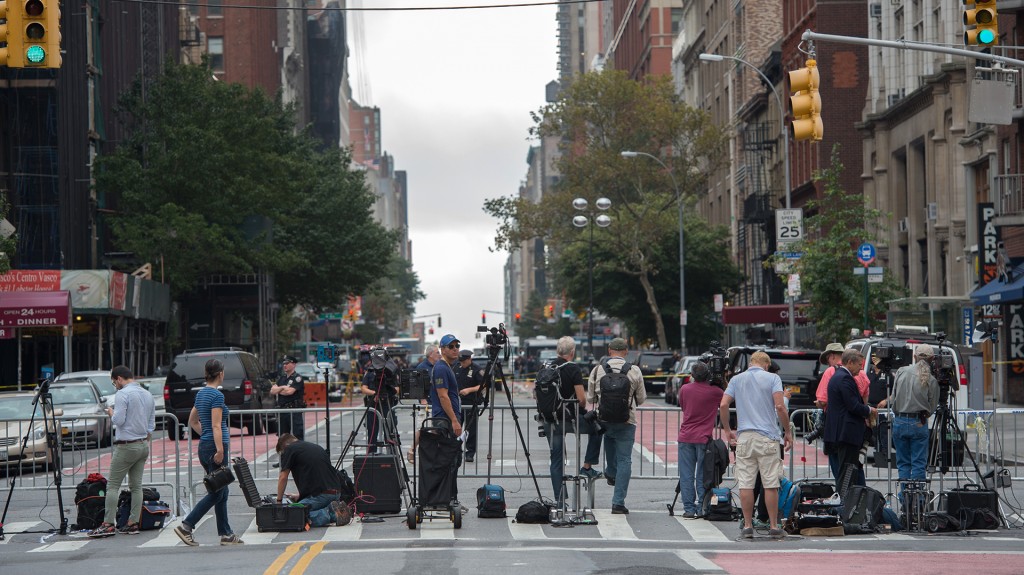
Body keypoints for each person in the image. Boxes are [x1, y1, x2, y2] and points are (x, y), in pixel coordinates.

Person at [718, 351, 792, 540]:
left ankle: (748, 526)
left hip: (744, 437)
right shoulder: (773, 378)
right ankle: (774, 526)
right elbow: (780, 406)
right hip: (767, 437)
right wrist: (788, 431)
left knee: (746, 483)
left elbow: (724, 405)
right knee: (770, 484)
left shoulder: (736, 379)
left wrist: (727, 430)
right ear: (766, 365)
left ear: (751, 363)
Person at [175, 359, 244, 546]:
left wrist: (205, 436)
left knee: (222, 490)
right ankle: (187, 526)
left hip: (204, 446)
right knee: (216, 492)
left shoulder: (201, 393)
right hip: (215, 447)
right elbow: (215, 425)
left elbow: (192, 421)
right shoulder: (217, 396)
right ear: (221, 373)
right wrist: (220, 448)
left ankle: (226, 534)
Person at [88, 366, 156, 537]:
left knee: (112, 486)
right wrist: (143, 440)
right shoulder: (147, 394)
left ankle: (108, 523)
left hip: (126, 445)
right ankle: (133, 523)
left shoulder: (123, 394)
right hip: (142, 445)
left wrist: (111, 412)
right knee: (136, 486)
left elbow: (119, 420)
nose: (115, 386)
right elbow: (151, 424)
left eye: (114, 383)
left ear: (119, 379)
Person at [587, 337, 645, 515]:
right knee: (625, 460)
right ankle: (618, 503)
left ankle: (611, 473)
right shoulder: (634, 370)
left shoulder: (598, 370)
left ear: (609, 350)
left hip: (604, 420)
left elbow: (591, 398)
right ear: (626, 351)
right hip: (627, 421)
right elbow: (641, 399)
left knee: (610, 449)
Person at [543, 336, 603, 504]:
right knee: (598, 429)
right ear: (572, 352)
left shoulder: (547, 366)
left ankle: (560, 500)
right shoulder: (573, 369)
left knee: (556, 459)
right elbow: (582, 399)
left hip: (550, 419)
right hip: (570, 418)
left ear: (557, 350)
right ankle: (587, 467)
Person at [823, 349, 877, 494]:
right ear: (850, 362)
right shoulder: (844, 378)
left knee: (846, 471)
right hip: (846, 433)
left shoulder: (839, 376)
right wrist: (869, 411)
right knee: (847, 472)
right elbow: (853, 405)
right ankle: (845, 505)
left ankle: (845, 503)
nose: (861, 368)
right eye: (859, 364)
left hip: (841, 431)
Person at [676, 360, 723, 519]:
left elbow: (683, 406)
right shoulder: (716, 392)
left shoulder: (685, 389)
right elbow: (729, 396)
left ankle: (688, 509)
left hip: (685, 436)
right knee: (702, 475)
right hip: (704, 438)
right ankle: (701, 507)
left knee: (686, 475)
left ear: (692, 375)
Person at [275, 433, 351, 527]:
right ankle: (333, 508)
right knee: (299, 508)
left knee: (292, 514)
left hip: (321, 495)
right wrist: (300, 496)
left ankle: (331, 514)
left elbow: (283, 477)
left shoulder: (289, 449)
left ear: (285, 446)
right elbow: (320, 477)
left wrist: (278, 502)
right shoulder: (314, 447)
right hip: (335, 492)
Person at [889, 344, 939, 484]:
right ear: (932, 359)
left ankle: (905, 500)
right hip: (918, 422)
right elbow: (932, 406)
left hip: (900, 420)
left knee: (903, 464)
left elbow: (893, 397)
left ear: (914, 357)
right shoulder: (932, 380)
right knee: (918, 464)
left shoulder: (901, 371)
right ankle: (918, 502)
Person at [430, 333, 464, 501]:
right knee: (449, 461)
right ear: (442, 349)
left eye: (457, 346)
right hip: (444, 420)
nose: (455, 349)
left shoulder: (447, 367)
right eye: (451, 346)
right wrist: (454, 420)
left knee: (453, 461)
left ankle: (451, 498)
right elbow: (443, 396)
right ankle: (448, 499)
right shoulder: (441, 368)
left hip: (447, 419)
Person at [360, 348, 400, 454]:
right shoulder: (370, 371)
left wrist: (387, 393)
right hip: (373, 405)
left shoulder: (391, 371)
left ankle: (392, 455)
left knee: (390, 432)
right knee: (372, 433)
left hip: (388, 404)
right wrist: (374, 394)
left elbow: (397, 388)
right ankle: (371, 455)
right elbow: (363, 388)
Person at [454, 349, 484, 463]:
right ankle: (456, 450)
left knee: (471, 429)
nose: (462, 363)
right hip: (457, 404)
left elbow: (483, 385)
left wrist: (469, 390)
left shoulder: (476, 370)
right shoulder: (456, 367)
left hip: (471, 403)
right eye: (460, 361)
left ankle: (470, 453)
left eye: (464, 361)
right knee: (456, 428)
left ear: (469, 359)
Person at [272, 355, 305, 440]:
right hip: (282, 410)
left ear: (294, 364)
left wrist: (279, 390)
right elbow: (272, 391)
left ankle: (299, 453)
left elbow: (289, 392)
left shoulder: (297, 378)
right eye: (284, 364)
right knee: (283, 437)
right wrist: (283, 387)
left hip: (294, 411)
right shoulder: (281, 378)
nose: (284, 365)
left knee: (297, 435)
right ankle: (285, 453)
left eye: (287, 363)